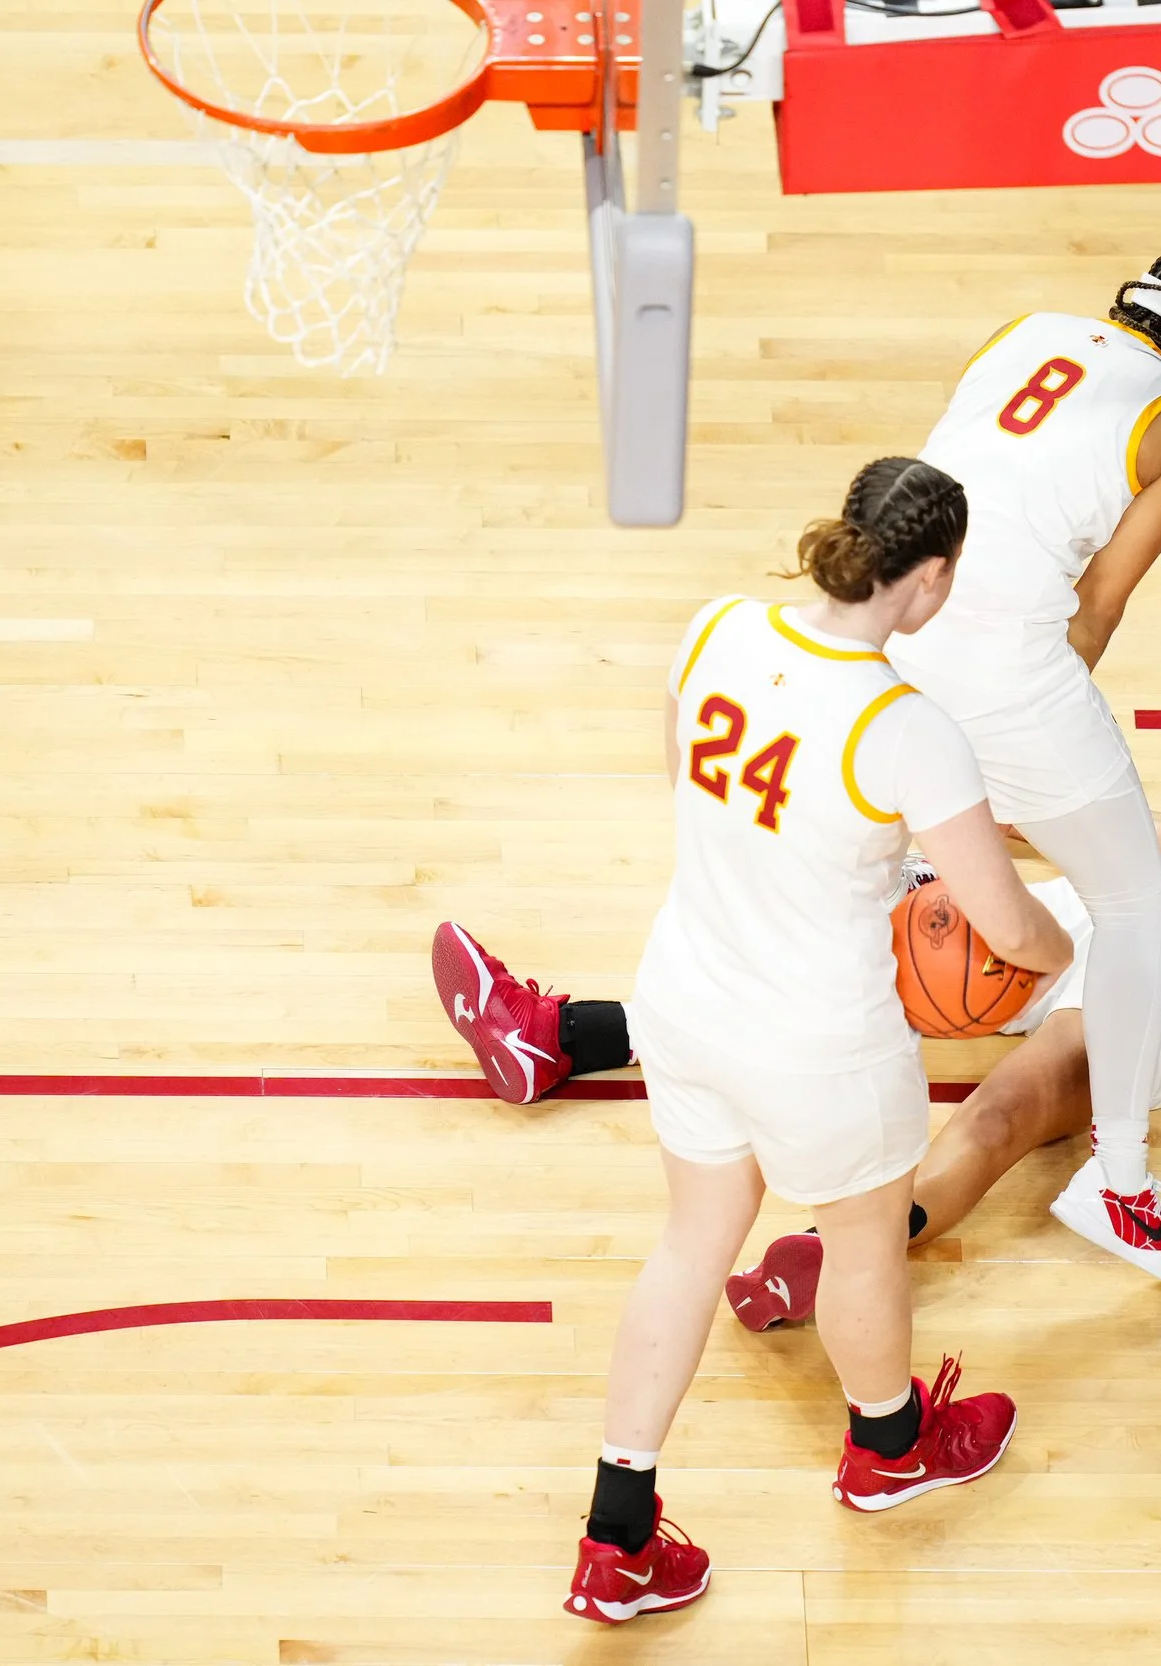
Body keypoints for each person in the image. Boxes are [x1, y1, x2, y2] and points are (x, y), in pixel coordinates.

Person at [433, 457, 1075, 1625]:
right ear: (928, 580)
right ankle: (888, 1447)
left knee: (689, 1245)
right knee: (865, 1244)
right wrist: (1053, 951)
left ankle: (616, 1534)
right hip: (818, 1041)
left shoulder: (718, 624)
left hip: (683, 994)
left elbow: (681, 771)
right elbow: (999, 916)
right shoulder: (905, 724)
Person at [437, 754, 1161, 1313]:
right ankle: (554, 1034)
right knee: (833, 963)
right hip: (1105, 908)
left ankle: (831, 1260)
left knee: (1002, 1117)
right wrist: (1018, 840)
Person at [884, 242, 1161, 1289]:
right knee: (1136, 902)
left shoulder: (1025, 333)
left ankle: (590, 1032)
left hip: (895, 627)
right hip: (1006, 661)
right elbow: (1097, 606)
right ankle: (1122, 1181)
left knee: (839, 873)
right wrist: (1029, 751)